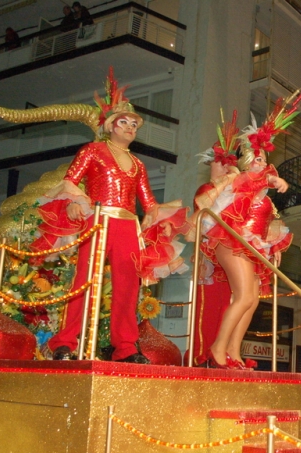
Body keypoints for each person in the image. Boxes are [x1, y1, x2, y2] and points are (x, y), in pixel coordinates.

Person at [12, 68, 188, 363]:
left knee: (128, 288)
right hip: (97, 219)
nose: (131, 127)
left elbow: (148, 202)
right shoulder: (92, 151)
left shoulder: (138, 164)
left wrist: (160, 223)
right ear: (110, 125)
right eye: (125, 122)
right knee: (84, 279)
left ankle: (126, 348)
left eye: (135, 124)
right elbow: (70, 180)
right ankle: (63, 343)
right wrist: (76, 200)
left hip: (127, 225)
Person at [192, 99, 299, 369]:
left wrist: (271, 248)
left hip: (251, 245)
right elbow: (250, 183)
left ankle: (233, 351)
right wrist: (274, 179)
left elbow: (268, 222)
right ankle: (217, 348)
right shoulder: (238, 180)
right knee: (242, 296)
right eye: (259, 157)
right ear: (249, 160)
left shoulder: (261, 192)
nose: (263, 162)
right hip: (231, 239)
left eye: (264, 158)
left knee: (251, 300)